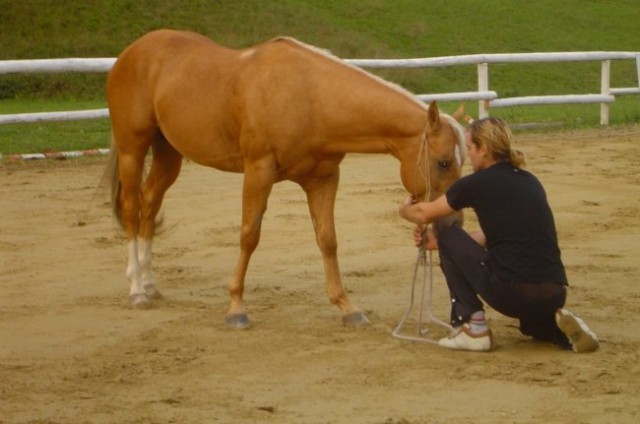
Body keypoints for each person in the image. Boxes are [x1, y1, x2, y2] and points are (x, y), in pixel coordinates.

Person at [398, 117, 599, 353]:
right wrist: (442, 247)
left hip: (512, 293)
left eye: (470, 148)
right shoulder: (530, 180)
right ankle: (557, 330)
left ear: (484, 149)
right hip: (555, 293)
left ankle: (473, 327)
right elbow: (500, 231)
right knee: (533, 327)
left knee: (448, 233)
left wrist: (405, 210)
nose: (468, 156)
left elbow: (423, 214)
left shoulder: (474, 183)